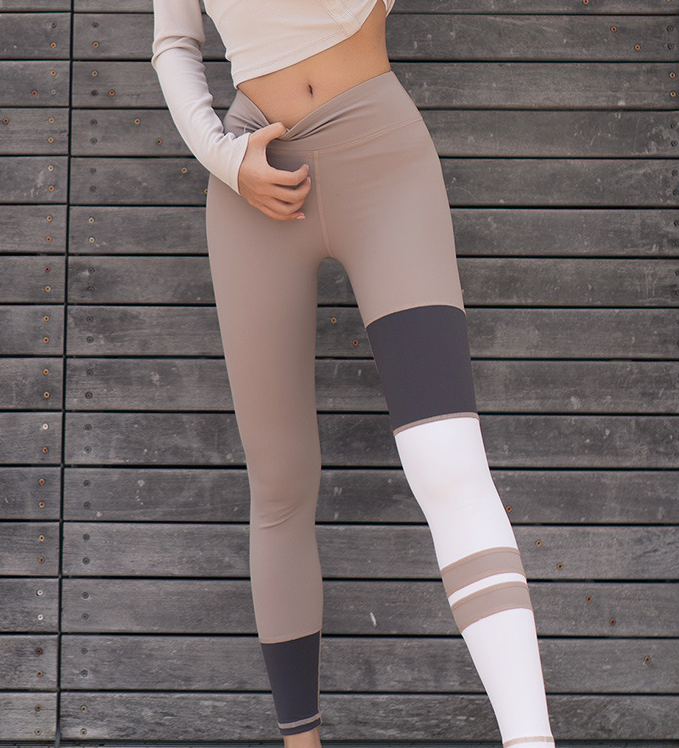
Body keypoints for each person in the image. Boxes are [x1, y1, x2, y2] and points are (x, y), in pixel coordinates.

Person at [150, 2, 555, 747]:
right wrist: (225, 158)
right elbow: (174, 42)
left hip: (380, 156)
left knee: (449, 460)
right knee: (280, 484)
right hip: (254, 175)